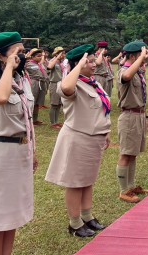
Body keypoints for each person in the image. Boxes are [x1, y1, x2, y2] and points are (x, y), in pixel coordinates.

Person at [0, 32, 37, 255]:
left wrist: (32, 151)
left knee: (12, 216)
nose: (23, 56)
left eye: (23, 52)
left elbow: (27, 120)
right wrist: (9, 71)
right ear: (2, 56)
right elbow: (1, 98)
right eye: (18, 52)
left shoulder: (22, 81)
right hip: (1, 154)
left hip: (20, 151)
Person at [45, 44, 111, 238]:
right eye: (88, 61)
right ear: (77, 64)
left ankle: (87, 216)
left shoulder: (93, 83)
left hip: (94, 139)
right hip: (78, 138)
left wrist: (106, 131)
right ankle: (75, 223)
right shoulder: (70, 84)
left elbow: (101, 109)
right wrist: (78, 64)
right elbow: (65, 87)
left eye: (92, 61)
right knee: (75, 182)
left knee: (88, 180)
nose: (93, 64)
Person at [116, 41, 148, 203]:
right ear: (132, 56)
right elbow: (127, 76)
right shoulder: (124, 71)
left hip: (138, 115)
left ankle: (130, 185)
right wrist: (141, 58)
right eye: (140, 54)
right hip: (129, 116)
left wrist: (142, 59)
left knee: (133, 153)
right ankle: (124, 190)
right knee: (125, 153)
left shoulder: (137, 71)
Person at [25, 48, 48, 125]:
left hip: (41, 83)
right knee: (32, 102)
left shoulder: (40, 64)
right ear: (32, 57)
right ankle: (29, 120)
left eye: (41, 56)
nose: (40, 57)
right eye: (38, 56)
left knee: (38, 103)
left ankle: (35, 120)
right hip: (34, 83)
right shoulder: (28, 64)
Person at [47, 47, 66, 129]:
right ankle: (53, 123)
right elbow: (49, 67)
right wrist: (57, 57)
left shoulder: (61, 63)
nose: (64, 55)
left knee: (58, 104)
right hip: (54, 84)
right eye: (62, 53)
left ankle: (56, 121)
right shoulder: (53, 61)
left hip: (60, 84)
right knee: (54, 104)